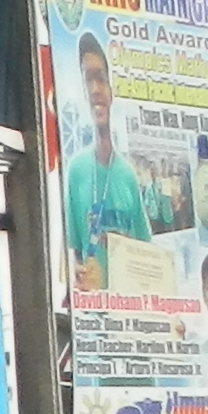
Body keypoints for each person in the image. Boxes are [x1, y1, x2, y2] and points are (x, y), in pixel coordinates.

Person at [57, 36, 154, 264]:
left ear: (111, 90)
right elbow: (72, 252)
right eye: (88, 81)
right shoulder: (77, 170)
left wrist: (122, 245)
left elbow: (146, 250)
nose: (94, 90)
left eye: (100, 79)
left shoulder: (127, 174)